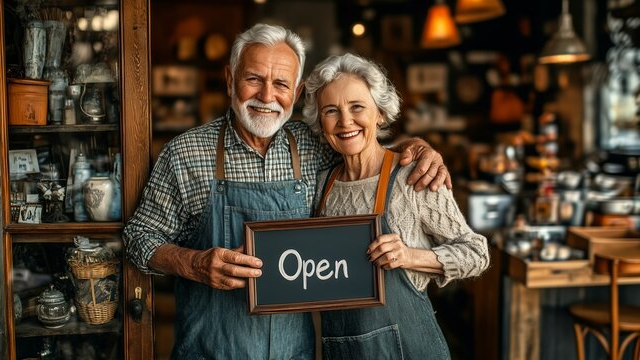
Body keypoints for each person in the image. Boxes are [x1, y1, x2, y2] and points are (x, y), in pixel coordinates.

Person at [124, 24, 450, 359]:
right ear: (230, 79)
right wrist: (194, 263)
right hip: (210, 350)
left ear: (296, 92)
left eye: (281, 83)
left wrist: (416, 148)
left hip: (295, 351)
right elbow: (138, 237)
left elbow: (367, 148)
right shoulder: (185, 153)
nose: (267, 96)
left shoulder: (314, 145)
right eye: (253, 79)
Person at [303, 53, 490, 359]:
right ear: (319, 121)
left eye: (357, 107)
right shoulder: (319, 186)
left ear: (379, 113)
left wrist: (408, 256)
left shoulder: (412, 176)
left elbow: (476, 253)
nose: (345, 121)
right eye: (331, 111)